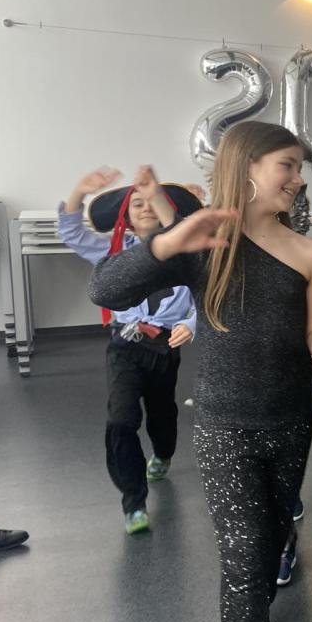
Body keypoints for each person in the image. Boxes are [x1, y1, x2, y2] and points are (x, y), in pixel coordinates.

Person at [88, 121, 312, 622]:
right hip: (223, 425)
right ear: (247, 168)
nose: (298, 179)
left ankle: (257, 605)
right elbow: (103, 288)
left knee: (264, 551)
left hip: (289, 421)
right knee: (242, 562)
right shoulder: (206, 244)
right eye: (287, 165)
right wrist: (167, 242)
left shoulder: (309, 253)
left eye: (299, 168)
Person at [59, 164, 200, 535]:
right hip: (125, 345)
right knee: (121, 420)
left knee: (162, 415)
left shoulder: (188, 254)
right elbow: (71, 231)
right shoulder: (115, 250)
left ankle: (164, 452)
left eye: (152, 201)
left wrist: (191, 324)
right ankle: (133, 501)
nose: (146, 208)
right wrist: (80, 190)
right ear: (126, 216)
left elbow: (209, 296)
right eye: (137, 204)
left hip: (165, 348)